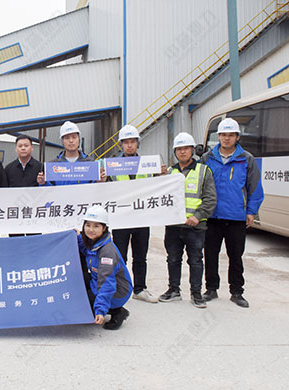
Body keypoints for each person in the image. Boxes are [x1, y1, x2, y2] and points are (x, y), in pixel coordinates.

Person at [200, 118, 264, 308]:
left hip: (236, 217)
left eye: (231, 135)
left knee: (235, 256)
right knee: (210, 254)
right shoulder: (207, 158)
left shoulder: (246, 159)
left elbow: (255, 187)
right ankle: (211, 288)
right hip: (212, 216)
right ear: (218, 136)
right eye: (223, 135)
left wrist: (251, 211)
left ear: (237, 137)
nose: (226, 138)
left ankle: (236, 291)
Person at [159, 132, 216, 308]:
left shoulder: (203, 171)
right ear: (175, 152)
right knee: (173, 259)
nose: (182, 152)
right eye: (179, 149)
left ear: (192, 150)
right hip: (174, 226)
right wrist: (158, 177)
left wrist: (198, 217)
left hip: (195, 227)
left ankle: (196, 293)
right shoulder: (169, 172)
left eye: (186, 148)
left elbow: (210, 199)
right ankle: (174, 290)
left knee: (196, 260)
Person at [108, 124, 159, 303]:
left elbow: (156, 187)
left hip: (141, 218)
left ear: (138, 143)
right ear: (121, 145)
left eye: (132, 141)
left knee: (140, 257)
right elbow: (105, 190)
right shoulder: (112, 166)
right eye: (126, 142)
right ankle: (120, 289)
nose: (129, 145)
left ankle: (140, 289)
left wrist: (162, 175)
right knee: (120, 257)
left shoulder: (148, 165)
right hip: (121, 220)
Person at [77, 205, 133, 330]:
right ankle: (101, 305)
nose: (91, 229)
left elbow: (107, 283)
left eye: (96, 226)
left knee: (81, 304)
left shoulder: (107, 252)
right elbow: (87, 251)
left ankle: (117, 311)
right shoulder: (94, 242)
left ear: (104, 228)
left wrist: (100, 310)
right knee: (76, 283)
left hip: (117, 291)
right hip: (98, 281)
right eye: (88, 225)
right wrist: (77, 236)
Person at [36, 121, 105, 186]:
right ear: (62, 141)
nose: (71, 141)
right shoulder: (53, 165)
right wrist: (43, 183)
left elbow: (95, 189)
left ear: (79, 139)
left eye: (74, 137)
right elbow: (48, 191)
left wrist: (100, 181)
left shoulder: (90, 163)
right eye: (67, 138)